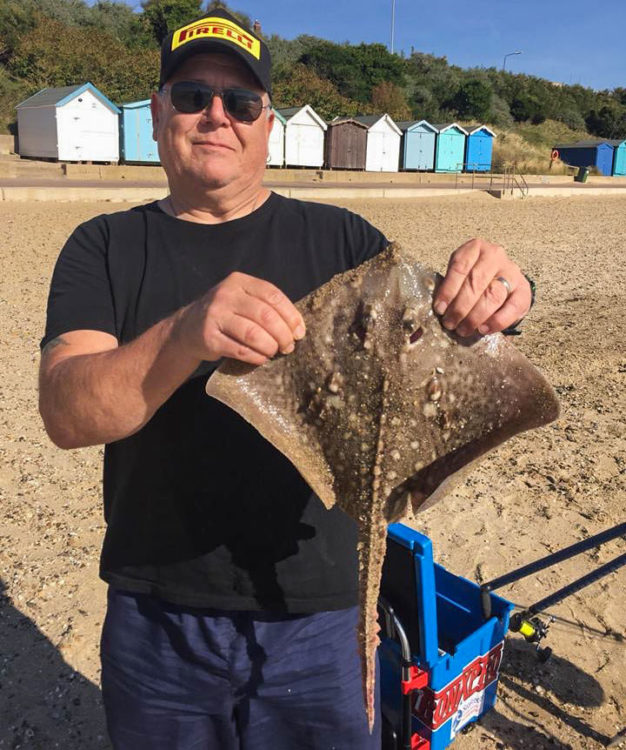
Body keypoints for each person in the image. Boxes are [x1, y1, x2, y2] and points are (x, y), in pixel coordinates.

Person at [38, 10, 533, 749]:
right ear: (156, 113)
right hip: (159, 618)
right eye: (192, 95)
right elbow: (67, 415)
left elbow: (447, 331)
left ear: (267, 125)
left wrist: (500, 299)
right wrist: (184, 332)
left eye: (240, 103)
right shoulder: (105, 247)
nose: (217, 116)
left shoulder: (345, 242)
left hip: (323, 618)